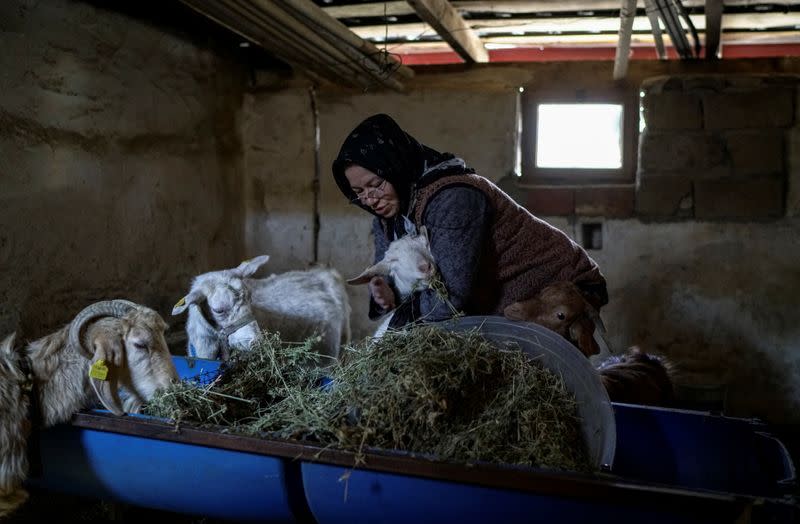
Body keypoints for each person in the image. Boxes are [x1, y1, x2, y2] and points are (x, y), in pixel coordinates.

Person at [332, 113, 607, 330]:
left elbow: (451, 296)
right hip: (490, 299)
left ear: (396, 167)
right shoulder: (388, 215)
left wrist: (396, 330)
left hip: (553, 290)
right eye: (358, 193)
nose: (370, 199)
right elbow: (397, 278)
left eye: (376, 184)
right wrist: (386, 293)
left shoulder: (453, 198)